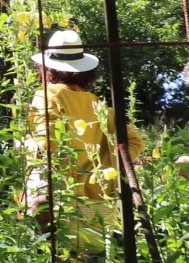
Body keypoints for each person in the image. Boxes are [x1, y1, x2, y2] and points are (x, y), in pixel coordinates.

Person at [24, 30, 144, 255]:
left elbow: (46, 145)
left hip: (60, 203)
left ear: (47, 68)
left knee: (52, 253)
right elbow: (134, 141)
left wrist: (25, 145)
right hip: (97, 206)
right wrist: (108, 168)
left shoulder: (47, 96)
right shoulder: (97, 104)